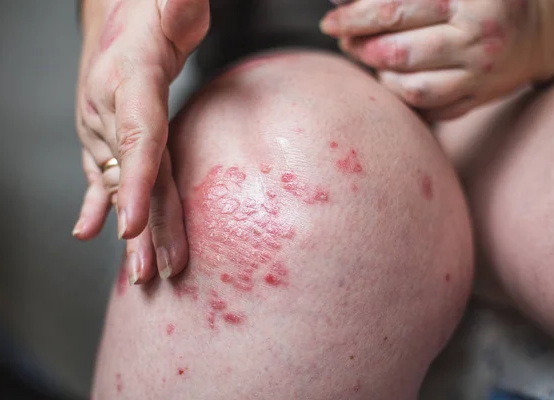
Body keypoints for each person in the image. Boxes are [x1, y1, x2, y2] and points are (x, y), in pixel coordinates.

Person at [73, 0, 554, 398]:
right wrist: (119, 25)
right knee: (260, 204)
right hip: (284, 63)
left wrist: (540, 24)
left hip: (524, 80)